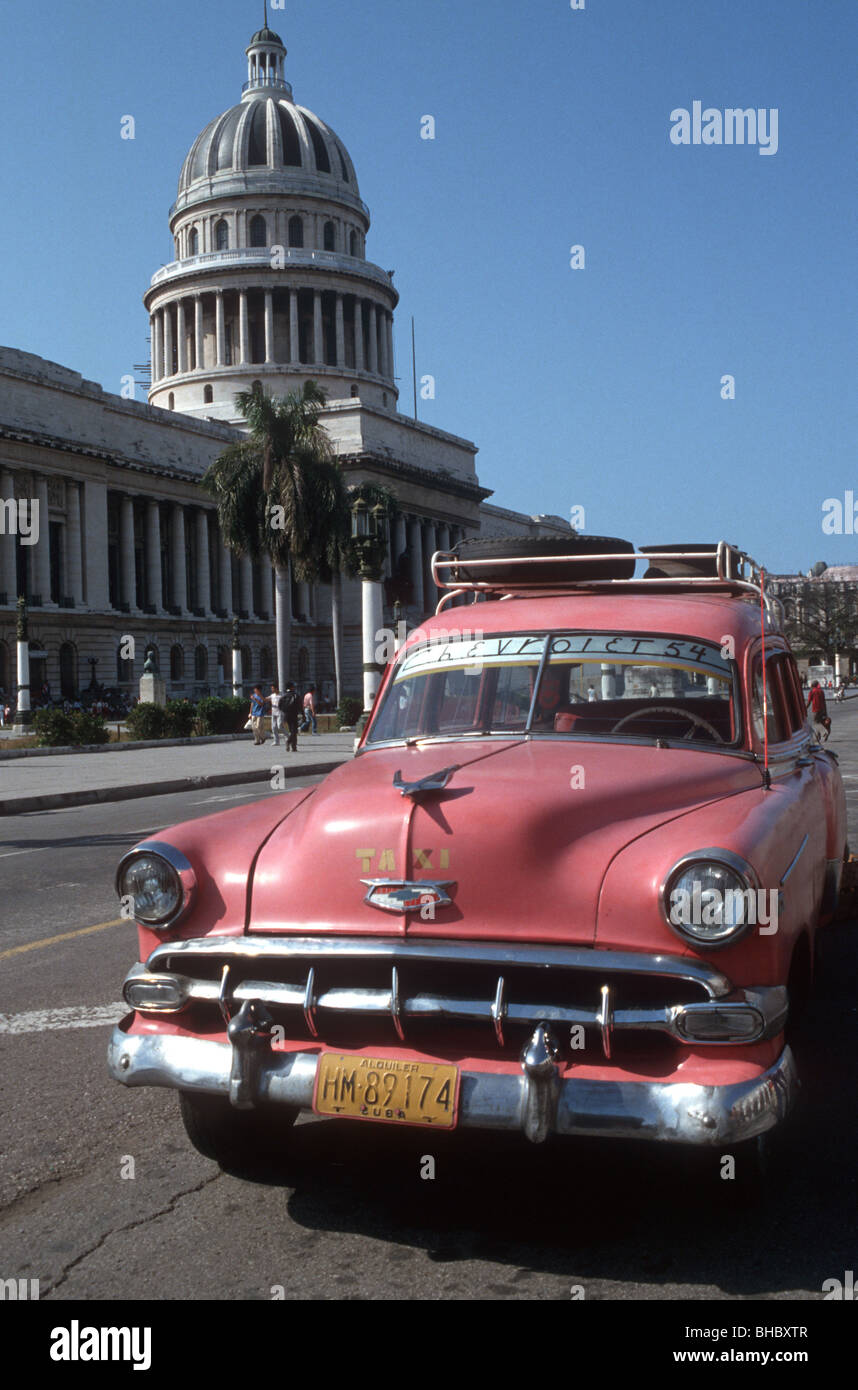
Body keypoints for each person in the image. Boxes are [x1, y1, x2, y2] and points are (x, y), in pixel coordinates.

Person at [282, 681, 300, 751]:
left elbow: (280, 706)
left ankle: (294, 747)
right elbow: (300, 706)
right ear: (291, 687)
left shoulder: (284, 696)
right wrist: (303, 715)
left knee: (292, 730)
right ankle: (289, 742)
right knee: (294, 731)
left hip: (287, 715)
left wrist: (285, 712)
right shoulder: (295, 695)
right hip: (294, 715)